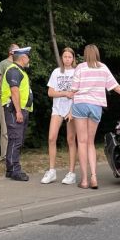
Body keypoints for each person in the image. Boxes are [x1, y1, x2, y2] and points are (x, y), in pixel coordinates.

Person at [69, 44, 120, 189]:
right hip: (96, 106)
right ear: (97, 54)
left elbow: (73, 90)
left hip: (80, 105)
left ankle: (84, 180)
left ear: (85, 54)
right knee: (90, 143)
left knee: (81, 143)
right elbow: (116, 87)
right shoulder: (103, 68)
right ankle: (94, 177)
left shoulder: (80, 67)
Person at [41, 48, 77, 185]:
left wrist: (72, 110)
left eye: (69, 56)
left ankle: (71, 172)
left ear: (73, 58)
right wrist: (64, 93)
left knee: (71, 140)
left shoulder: (76, 72)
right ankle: (51, 171)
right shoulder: (56, 72)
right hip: (57, 109)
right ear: (62, 58)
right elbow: (50, 92)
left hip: (72, 110)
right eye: (65, 56)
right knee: (51, 138)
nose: (67, 59)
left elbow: (77, 93)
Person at [1, 46, 33, 181]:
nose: (29, 59)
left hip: (18, 109)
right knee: (16, 139)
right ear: (23, 57)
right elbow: (14, 91)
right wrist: (19, 111)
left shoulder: (19, 71)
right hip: (15, 110)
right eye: (28, 56)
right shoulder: (14, 71)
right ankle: (15, 170)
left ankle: (10, 169)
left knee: (15, 139)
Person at [0, 43, 19, 161]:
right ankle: (4, 156)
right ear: (11, 52)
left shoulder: (19, 65)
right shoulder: (3, 64)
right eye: (17, 51)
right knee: (5, 128)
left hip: (17, 100)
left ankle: (13, 155)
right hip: (5, 100)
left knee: (16, 127)